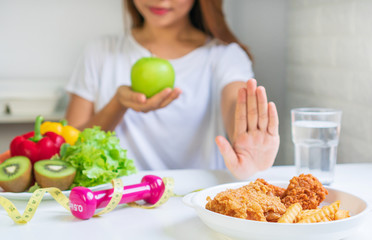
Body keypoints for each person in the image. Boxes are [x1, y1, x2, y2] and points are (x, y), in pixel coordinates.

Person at [65, 0, 280, 180]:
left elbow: (235, 104)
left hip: (193, 204)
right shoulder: (100, 52)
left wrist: (247, 139)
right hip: (115, 208)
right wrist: (118, 104)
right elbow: (69, 147)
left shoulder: (224, 56)